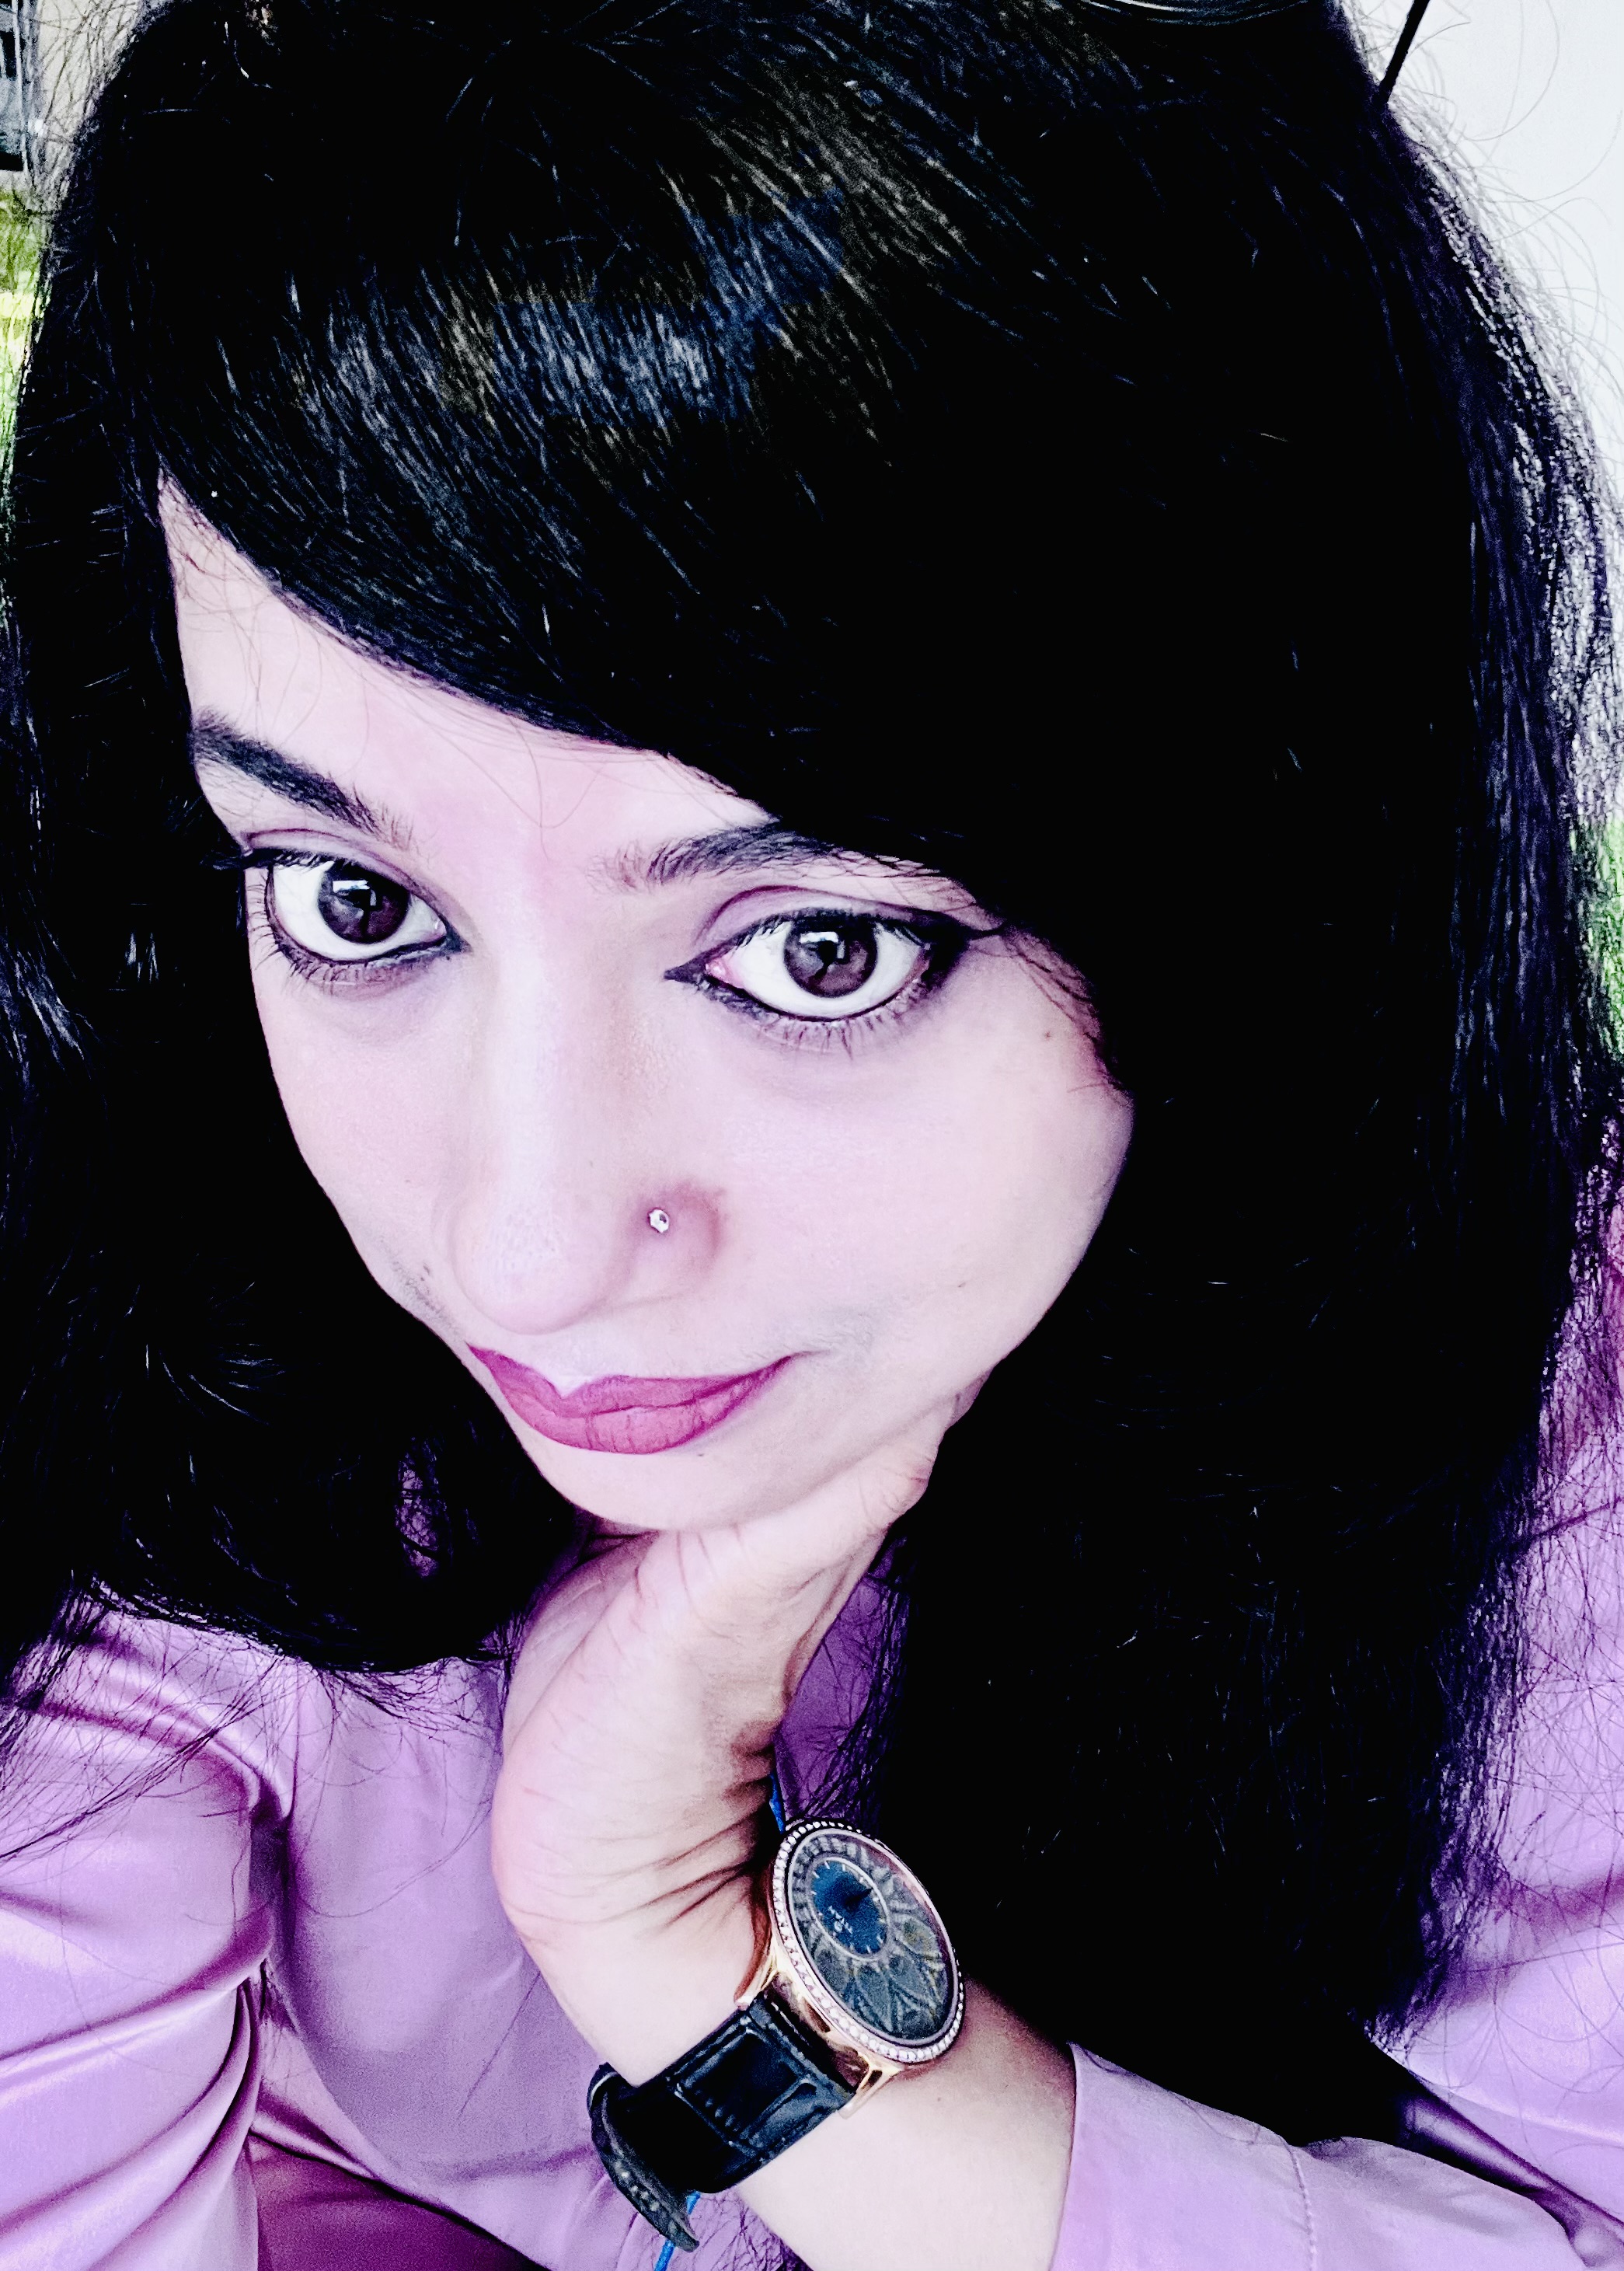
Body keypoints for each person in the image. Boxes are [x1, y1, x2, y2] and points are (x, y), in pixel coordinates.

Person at [0, 0, 1619, 2262]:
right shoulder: (127, 1435)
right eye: (353, 903)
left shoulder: (1537, 1378)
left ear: (1256, 844)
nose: (527, 1247)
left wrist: (692, 1950)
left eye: (818, 950)